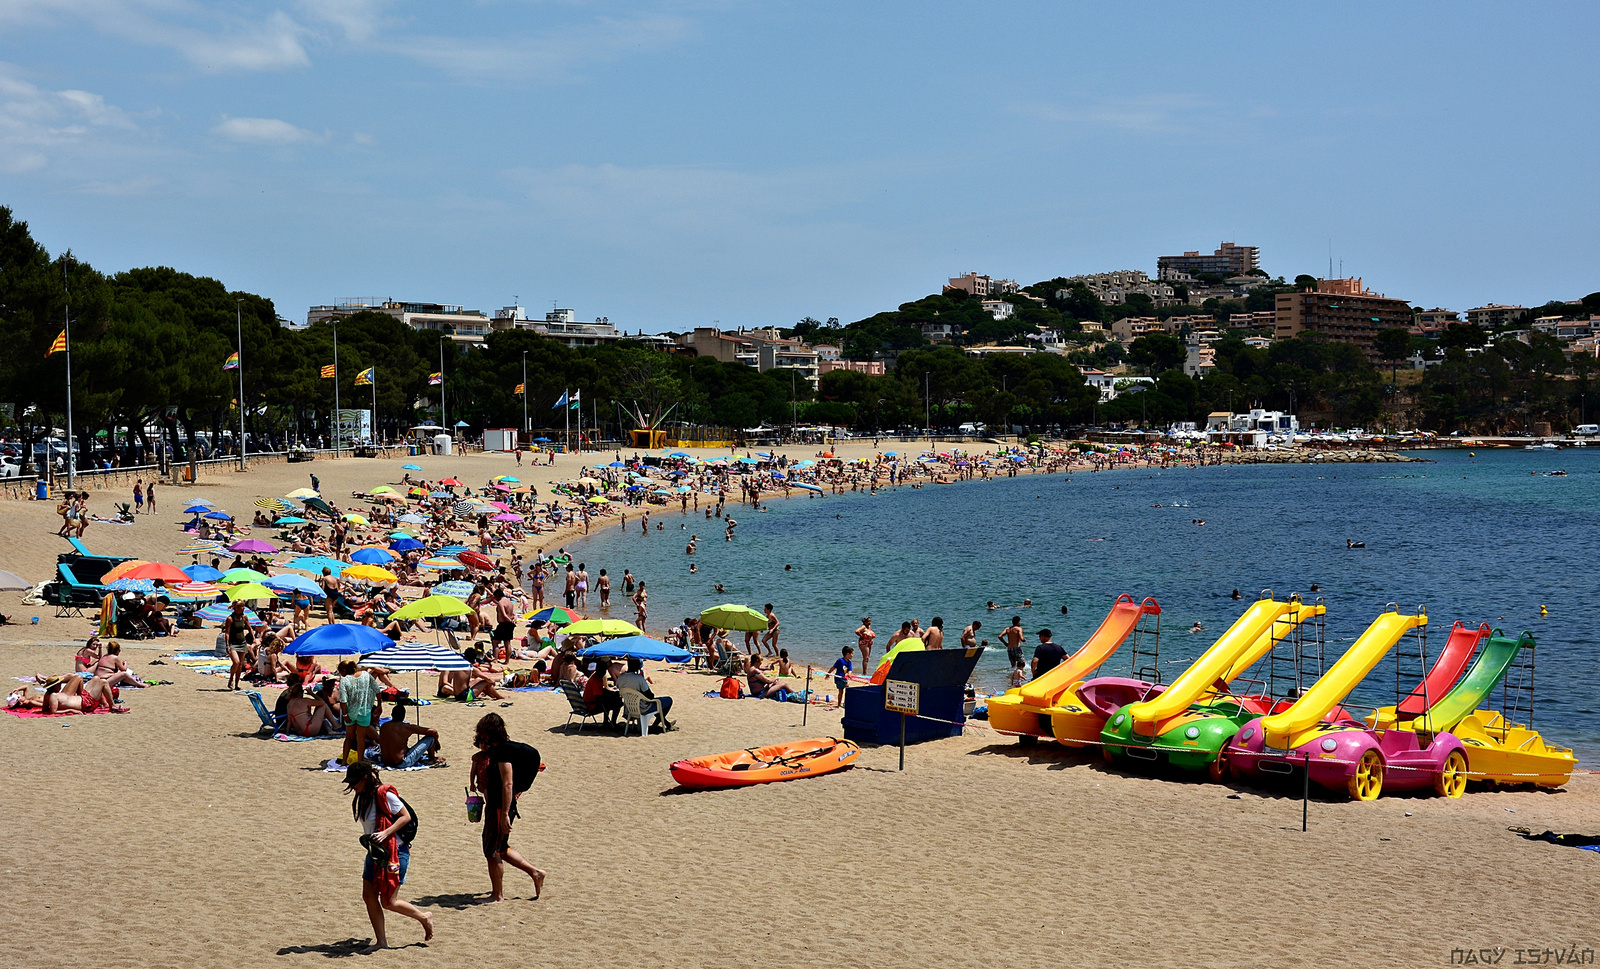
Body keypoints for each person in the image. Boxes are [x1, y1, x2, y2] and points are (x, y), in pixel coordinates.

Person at [343, 761, 434, 950]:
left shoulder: (385, 794)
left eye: (355, 782)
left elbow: (405, 816)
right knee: (368, 896)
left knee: (389, 902)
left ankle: (424, 917)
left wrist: (386, 833)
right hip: (375, 852)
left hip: (395, 852)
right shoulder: (364, 797)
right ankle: (381, 942)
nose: (352, 787)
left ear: (366, 779)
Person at [472, 713, 545, 902]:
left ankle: (498, 895)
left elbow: (508, 783)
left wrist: (504, 813)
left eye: (482, 734)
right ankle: (535, 872)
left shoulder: (502, 752)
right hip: (501, 805)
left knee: (492, 850)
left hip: (500, 806)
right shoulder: (507, 749)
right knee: (502, 848)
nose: (481, 738)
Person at [614, 656, 674, 731]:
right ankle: (656, 725)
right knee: (667, 700)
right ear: (637, 666)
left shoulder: (621, 677)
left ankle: (666, 723)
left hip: (629, 708)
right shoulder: (639, 679)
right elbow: (650, 696)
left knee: (655, 703)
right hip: (642, 708)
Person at [338, 660, 380, 765]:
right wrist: (379, 704)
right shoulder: (366, 675)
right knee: (360, 739)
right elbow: (377, 689)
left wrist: (344, 715)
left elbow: (343, 700)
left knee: (349, 738)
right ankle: (360, 761)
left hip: (350, 712)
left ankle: (344, 761)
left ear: (344, 670)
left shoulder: (345, 681)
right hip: (364, 712)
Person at [378, 701, 445, 767]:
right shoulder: (406, 727)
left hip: (385, 762)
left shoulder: (384, 726)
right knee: (431, 738)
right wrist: (436, 742)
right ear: (403, 716)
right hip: (401, 763)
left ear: (392, 714)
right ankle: (432, 759)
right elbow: (434, 731)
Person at [223, 600, 254, 691]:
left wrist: (253, 638)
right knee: (236, 662)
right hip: (233, 643)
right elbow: (227, 633)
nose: (243, 608)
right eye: (241, 606)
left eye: (243, 606)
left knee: (240, 664)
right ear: (236, 608)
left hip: (242, 643)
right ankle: (231, 678)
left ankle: (237, 684)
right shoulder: (230, 619)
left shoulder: (244, 617)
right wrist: (227, 645)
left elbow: (249, 628)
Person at [581, 660, 622, 727]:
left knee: (611, 701)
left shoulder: (595, 676)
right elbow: (599, 697)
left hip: (588, 702)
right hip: (591, 705)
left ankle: (606, 722)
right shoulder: (596, 680)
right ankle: (612, 723)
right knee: (617, 704)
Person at [490, 590, 517, 658]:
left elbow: (504, 615)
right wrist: (514, 621)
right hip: (510, 624)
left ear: (497, 595)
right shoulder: (510, 602)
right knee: (507, 642)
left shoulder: (501, 603)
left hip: (504, 624)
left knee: (495, 641)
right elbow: (514, 614)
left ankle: (495, 659)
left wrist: (510, 621)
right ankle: (507, 661)